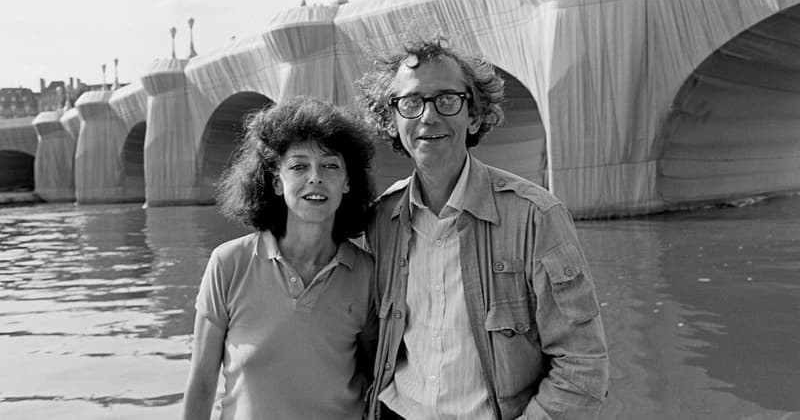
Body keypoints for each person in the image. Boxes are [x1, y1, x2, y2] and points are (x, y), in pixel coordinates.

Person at [357, 38, 609, 420]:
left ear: (473, 115)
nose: (428, 116)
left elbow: (582, 366)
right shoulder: (381, 220)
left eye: (447, 99)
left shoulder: (535, 217)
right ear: (392, 120)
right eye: (410, 102)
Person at [182, 96, 378, 420]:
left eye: (330, 166)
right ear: (276, 181)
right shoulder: (228, 264)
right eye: (299, 166)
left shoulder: (368, 273)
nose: (315, 177)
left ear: (346, 183)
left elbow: (374, 378)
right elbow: (202, 383)